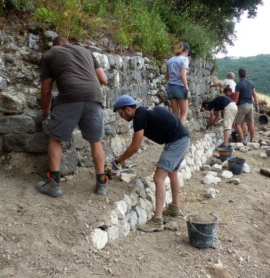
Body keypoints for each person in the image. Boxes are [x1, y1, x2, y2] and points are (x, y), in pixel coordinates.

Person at [37, 36, 108, 197]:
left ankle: (54, 185)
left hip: (69, 96)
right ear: (69, 43)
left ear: (54, 46)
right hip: (94, 97)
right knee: (95, 141)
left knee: (55, 138)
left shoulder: (51, 54)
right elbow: (103, 79)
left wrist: (46, 112)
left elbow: (46, 90)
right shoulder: (86, 51)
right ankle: (102, 184)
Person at [112, 95, 190, 232]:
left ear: (128, 109)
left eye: (121, 113)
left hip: (176, 141)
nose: (121, 117)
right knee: (172, 173)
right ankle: (174, 208)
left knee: (158, 178)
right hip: (183, 138)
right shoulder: (144, 111)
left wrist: (118, 160)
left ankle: (157, 220)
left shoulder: (139, 117)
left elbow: (135, 147)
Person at [165, 42, 191, 125]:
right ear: (186, 50)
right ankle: (180, 134)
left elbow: (167, 77)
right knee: (184, 113)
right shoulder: (184, 59)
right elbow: (183, 75)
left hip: (170, 88)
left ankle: (174, 132)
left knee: (175, 113)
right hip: (180, 87)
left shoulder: (170, 60)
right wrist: (187, 89)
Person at [234, 68, 258, 143]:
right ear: (245, 74)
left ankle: (242, 140)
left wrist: (234, 105)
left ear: (239, 75)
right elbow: (254, 94)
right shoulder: (251, 83)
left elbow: (237, 97)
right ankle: (252, 139)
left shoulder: (238, 84)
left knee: (237, 124)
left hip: (243, 105)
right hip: (251, 105)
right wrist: (256, 104)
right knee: (251, 123)